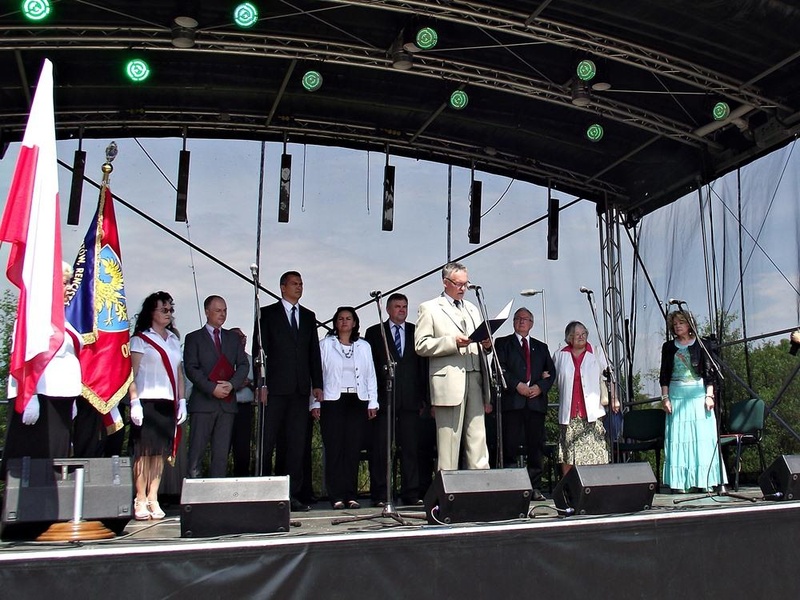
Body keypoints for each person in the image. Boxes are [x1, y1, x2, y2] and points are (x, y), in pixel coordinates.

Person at [2, 263, 82, 478]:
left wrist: (72, 399)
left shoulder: (64, 320)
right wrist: (30, 396)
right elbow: (23, 357)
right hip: (40, 399)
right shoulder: (33, 317)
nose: (70, 288)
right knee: (34, 464)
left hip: (61, 400)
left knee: (54, 466)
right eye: (65, 283)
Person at [254, 271, 323, 512]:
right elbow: (259, 351)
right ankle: (262, 493)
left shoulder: (308, 316)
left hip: (300, 389)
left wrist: (317, 384)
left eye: (301, 283)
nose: (299, 287)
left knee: (296, 444)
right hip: (273, 388)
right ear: (283, 287)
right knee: (268, 442)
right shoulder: (267, 314)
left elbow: (313, 352)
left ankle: (292, 495)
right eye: (294, 283)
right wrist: (260, 384)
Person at [414, 262, 492, 471]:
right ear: (445, 282)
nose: (463, 288)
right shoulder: (430, 308)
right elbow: (421, 345)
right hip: (449, 380)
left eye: (466, 284)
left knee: (477, 436)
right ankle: (447, 484)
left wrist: (486, 345)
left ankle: (481, 482)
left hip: (475, 376)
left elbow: (480, 341)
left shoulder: (472, 308)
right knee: (449, 440)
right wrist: (452, 342)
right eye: (458, 284)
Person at [364, 292, 429, 506]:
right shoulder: (375, 332)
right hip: (384, 399)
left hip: (411, 400)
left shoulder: (415, 331)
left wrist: (424, 398)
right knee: (382, 449)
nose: (401, 310)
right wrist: (372, 398)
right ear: (388, 309)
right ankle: (381, 494)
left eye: (404, 306)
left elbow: (422, 366)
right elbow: (370, 367)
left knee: (411, 448)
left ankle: (411, 493)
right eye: (397, 306)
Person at [128, 291, 187, 520]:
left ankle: (153, 497)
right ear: (151, 312)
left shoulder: (173, 339)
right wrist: (134, 401)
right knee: (144, 453)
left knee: (160, 453)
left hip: (167, 401)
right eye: (164, 309)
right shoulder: (140, 339)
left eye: (171, 309)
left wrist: (181, 401)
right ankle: (140, 498)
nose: (168, 313)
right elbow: (131, 374)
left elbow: (178, 373)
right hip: (147, 400)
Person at [313, 307, 378, 509]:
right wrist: (314, 402)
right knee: (334, 448)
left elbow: (370, 375)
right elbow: (316, 374)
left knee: (353, 449)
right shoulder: (325, 345)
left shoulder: (364, 346)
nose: (344, 322)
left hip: (357, 400)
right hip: (332, 400)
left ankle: (351, 495)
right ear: (335, 322)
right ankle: (336, 496)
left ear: (355, 323)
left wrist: (373, 401)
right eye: (340, 318)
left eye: (348, 318)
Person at [660, 310, 725, 493]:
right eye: (675, 324)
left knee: (702, 438)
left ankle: (706, 481)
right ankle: (682, 483)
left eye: (681, 323)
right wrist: (665, 398)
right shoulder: (668, 347)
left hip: (698, 394)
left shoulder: (702, 345)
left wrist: (709, 395)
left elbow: (710, 373)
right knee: (680, 439)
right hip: (677, 394)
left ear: (689, 324)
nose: (677, 326)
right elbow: (664, 374)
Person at [184, 295, 249, 478]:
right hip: (203, 403)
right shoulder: (193, 338)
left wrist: (232, 384)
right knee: (196, 452)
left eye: (225, 310)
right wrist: (211, 388)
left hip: (227, 404)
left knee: (221, 455)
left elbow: (243, 364)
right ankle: (193, 491)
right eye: (218, 310)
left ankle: (218, 492)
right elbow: (191, 368)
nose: (222, 314)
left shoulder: (232, 338)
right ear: (207, 312)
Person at [495, 307, 555, 500]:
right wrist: (517, 385)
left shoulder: (541, 347)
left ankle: (534, 487)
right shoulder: (503, 343)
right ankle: (513, 487)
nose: (522, 321)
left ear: (532, 323)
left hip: (535, 404)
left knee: (536, 447)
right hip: (513, 403)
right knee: (510, 446)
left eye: (526, 319)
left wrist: (540, 387)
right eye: (518, 318)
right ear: (513, 322)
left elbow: (551, 373)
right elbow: (499, 368)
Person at [552, 321, 619, 475]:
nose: (581, 337)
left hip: (592, 413)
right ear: (569, 338)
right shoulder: (560, 354)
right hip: (570, 414)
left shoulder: (596, 352)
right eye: (577, 334)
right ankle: (568, 486)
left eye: (583, 334)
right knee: (568, 454)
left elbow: (609, 377)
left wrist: (614, 398)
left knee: (596, 453)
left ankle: (596, 485)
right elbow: (552, 378)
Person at [229, 327, 255, 477]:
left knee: (243, 446)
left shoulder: (251, 360)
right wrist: (234, 384)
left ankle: (242, 476)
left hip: (245, 408)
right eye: (239, 337)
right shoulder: (225, 359)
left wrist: (248, 383)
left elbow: (259, 385)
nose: (243, 339)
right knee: (223, 444)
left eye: (244, 336)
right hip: (227, 405)